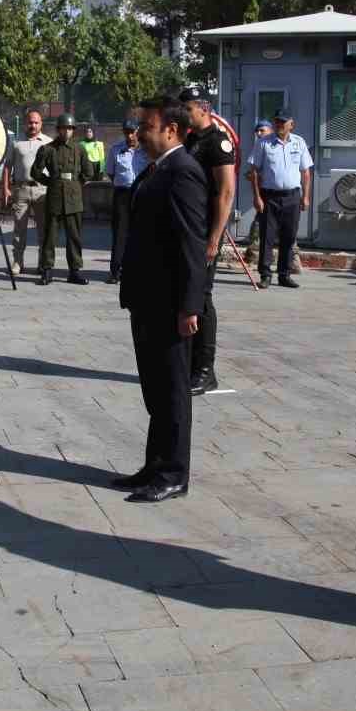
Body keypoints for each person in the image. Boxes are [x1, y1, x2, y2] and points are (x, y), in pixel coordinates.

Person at [112, 95, 207, 503]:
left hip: (170, 303)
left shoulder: (183, 171)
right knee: (155, 389)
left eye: (147, 127)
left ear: (170, 129)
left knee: (172, 391)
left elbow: (191, 243)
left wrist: (190, 305)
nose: (140, 134)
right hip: (147, 299)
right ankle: (154, 465)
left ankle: (173, 473)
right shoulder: (156, 169)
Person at [180, 87, 237, 396]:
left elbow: (226, 192)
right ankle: (188, 364)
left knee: (201, 297)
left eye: (187, 107)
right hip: (188, 229)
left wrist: (214, 237)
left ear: (203, 108)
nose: (184, 113)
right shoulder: (191, 140)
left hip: (205, 231)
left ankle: (205, 370)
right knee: (186, 293)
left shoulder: (218, 142)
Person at [30, 113, 100, 285]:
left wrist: (76, 184)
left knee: (74, 236)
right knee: (50, 237)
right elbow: (35, 172)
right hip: (54, 198)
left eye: (69, 128)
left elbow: (89, 172)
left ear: (73, 130)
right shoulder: (47, 149)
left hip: (74, 200)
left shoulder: (79, 149)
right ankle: (46, 270)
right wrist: (50, 182)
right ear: (58, 129)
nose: (66, 131)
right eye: (63, 128)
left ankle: (74, 271)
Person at [245, 110, 312, 287]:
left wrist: (306, 197)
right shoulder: (263, 143)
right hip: (269, 197)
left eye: (283, 122)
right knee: (267, 236)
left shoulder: (299, 142)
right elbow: (253, 171)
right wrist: (257, 197)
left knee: (289, 237)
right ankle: (265, 275)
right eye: (277, 122)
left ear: (292, 124)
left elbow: (305, 172)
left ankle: (284, 274)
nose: (280, 125)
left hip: (292, 197)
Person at [1, 110, 51, 275]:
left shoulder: (48, 143)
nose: (33, 125)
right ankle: (17, 262)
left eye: (36, 122)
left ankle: (42, 263)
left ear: (41, 124)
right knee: (19, 229)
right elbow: (7, 166)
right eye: (30, 122)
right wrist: (6, 188)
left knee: (43, 230)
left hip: (42, 191)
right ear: (25, 123)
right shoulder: (16, 143)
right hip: (21, 190)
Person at [105, 119, 148, 283]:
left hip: (142, 194)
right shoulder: (116, 150)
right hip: (122, 195)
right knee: (120, 234)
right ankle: (115, 271)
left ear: (138, 131)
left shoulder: (146, 150)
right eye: (126, 132)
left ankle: (139, 270)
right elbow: (110, 173)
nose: (130, 136)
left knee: (141, 234)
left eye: (132, 132)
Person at [242, 119, 272, 267]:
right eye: (257, 131)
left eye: (262, 130)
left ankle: (293, 260)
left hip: (276, 193)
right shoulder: (259, 146)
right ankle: (251, 258)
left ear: (270, 131)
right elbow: (254, 170)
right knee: (259, 226)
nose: (259, 134)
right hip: (264, 194)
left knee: (259, 226)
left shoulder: (273, 146)